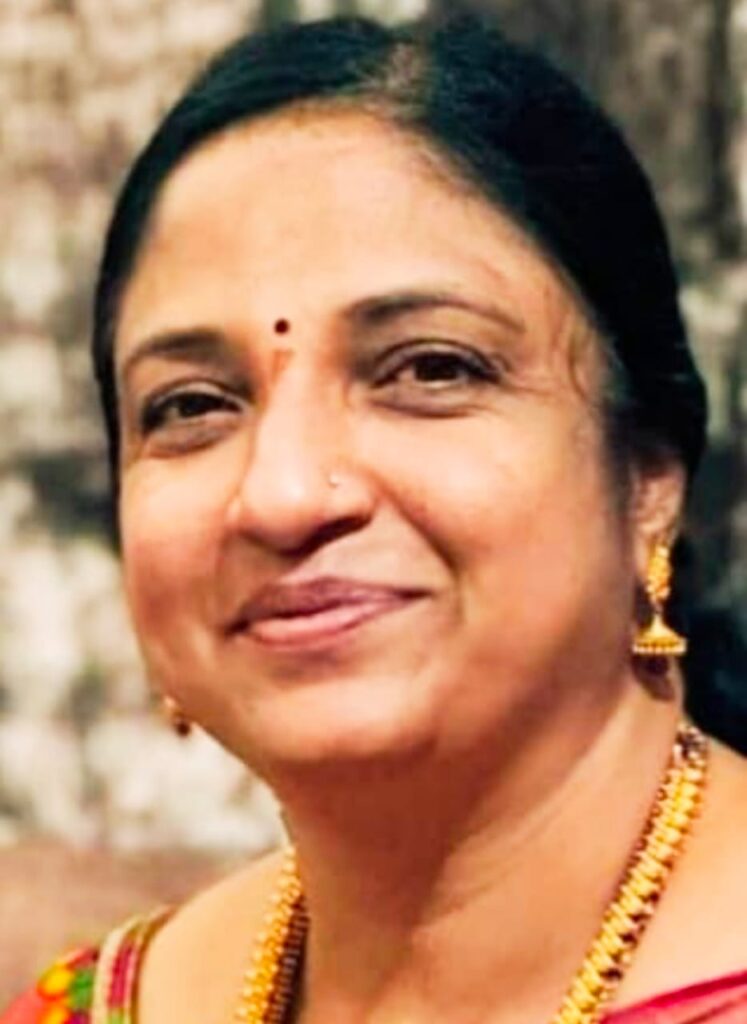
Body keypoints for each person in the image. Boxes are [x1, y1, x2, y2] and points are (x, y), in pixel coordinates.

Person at [4, 12, 747, 1024]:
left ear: (648, 476)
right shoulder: (99, 1006)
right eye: (191, 405)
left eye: (429, 369)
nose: (283, 494)